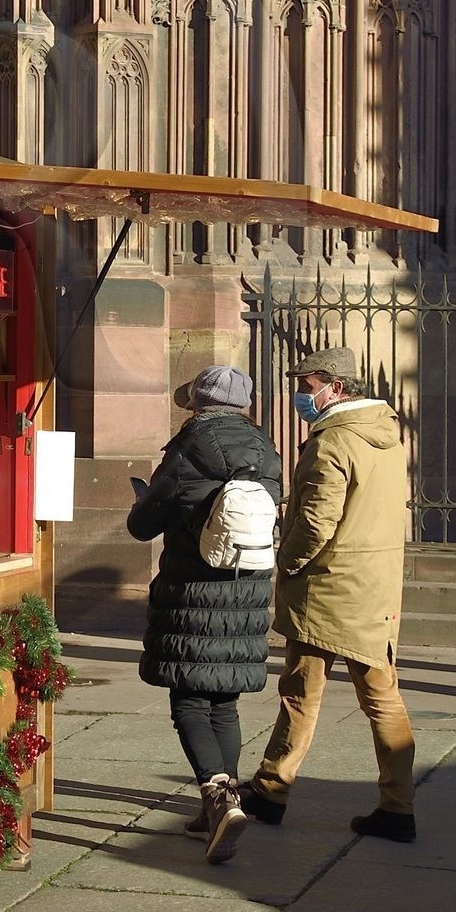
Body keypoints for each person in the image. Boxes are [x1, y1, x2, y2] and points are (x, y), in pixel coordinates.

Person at [242, 346, 417, 841]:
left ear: (335, 388)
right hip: (372, 586)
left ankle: (272, 789)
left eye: (306, 385)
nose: (301, 394)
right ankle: (398, 806)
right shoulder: (385, 435)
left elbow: (318, 520)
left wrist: (287, 561)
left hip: (327, 587)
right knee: (383, 695)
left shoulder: (333, 442)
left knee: (300, 692)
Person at [126, 366, 282, 863]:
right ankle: (217, 806)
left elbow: (143, 523)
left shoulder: (188, 447)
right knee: (224, 701)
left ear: (196, 404)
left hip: (193, 588)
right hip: (247, 588)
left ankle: (217, 798)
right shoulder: (264, 448)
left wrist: (149, 501)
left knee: (190, 699)